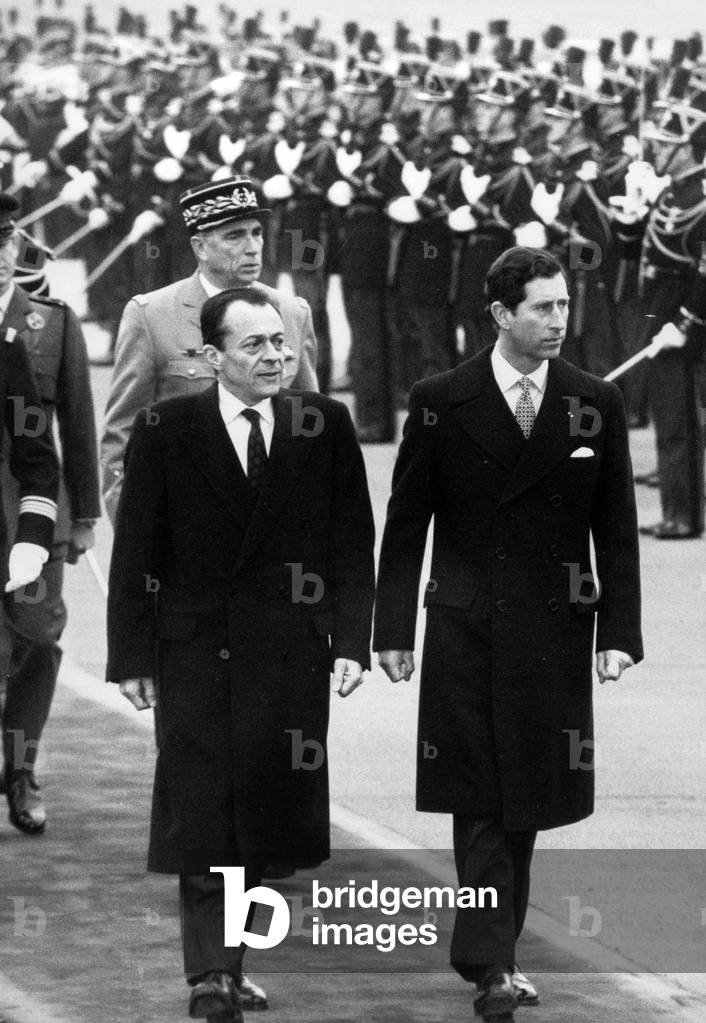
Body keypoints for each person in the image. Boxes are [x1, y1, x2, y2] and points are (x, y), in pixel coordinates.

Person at [373, 246, 643, 1021]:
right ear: (499, 315)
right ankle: (491, 958)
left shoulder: (594, 401)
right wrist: (392, 629)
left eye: (564, 305)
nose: (559, 320)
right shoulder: (438, 399)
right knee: (482, 793)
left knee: (526, 795)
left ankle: (495, 948)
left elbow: (615, 527)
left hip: (556, 627)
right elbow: (406, 521)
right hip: (466, 625)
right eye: (542, 308)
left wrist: (617, 631)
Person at [106, 287, 375, 1022]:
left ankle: (233, 957)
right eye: (254, 345)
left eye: (281, 343)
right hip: (195, 649)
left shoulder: (323, 424)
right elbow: (137, 550)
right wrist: (131, 652)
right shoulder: (166, 427)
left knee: (265, 817)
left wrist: (352, 640)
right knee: (203, 810)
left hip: (290, 652)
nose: (275, 357)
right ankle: (210, 974)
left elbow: (353, 541)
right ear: (212, 355)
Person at [100, 176, 319, 524]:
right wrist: (136, 533)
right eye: (235, 236)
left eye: (257, 233)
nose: (252, 247)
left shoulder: (292, 313)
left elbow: (313, 428)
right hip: (187, 525)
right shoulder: (152, 316)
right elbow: (122, 437)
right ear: (200, 247)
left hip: (275, 525)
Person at [0, 195, 100, 835]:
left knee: (38, 642)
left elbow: (77, 423)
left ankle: (20, 768)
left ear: (13, 247)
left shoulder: (50, 322)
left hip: (37, 510)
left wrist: (85, 512)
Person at [0, 193, 61, 831]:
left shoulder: (9, 344)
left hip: (7, 525)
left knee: (35, 643)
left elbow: (38, 455)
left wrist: (34, 537)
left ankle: (20, 769)